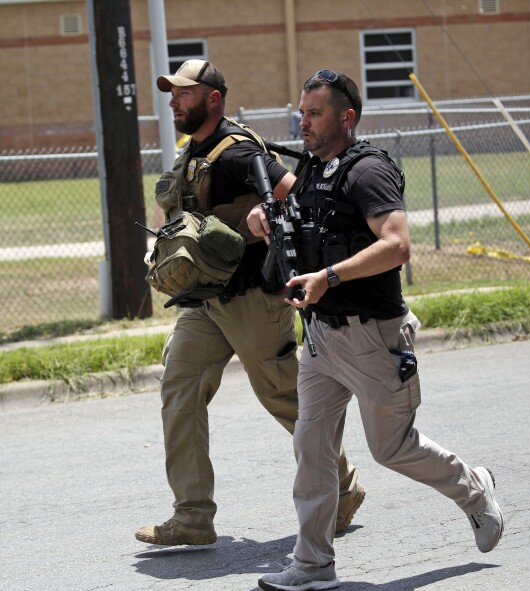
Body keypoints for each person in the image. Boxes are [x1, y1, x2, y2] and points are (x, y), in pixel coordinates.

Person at [250, 70, 504, 590]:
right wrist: (267, 216)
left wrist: (329, 277)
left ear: (346, 118)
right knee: (311, 444)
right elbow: (302, 218)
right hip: (322, 337)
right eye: (300, 112)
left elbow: (397, 244)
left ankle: (475, 490)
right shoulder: (317, 171)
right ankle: (313, 565)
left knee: (392, 448)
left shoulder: (368, 172)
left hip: (373, 337)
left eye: (314, 113)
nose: (304, 122)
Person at [134, 60, 366, 547]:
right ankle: (193, 516)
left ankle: (342, 490)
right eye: (171, 93)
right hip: (204, 301)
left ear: (212, 99)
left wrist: (269, 208)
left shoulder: (237, 151)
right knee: (180, 389)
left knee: (285, 397)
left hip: (252, 300)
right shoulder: (193, 151)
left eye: (184, 93)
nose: (173, 100)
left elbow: (297, 194)